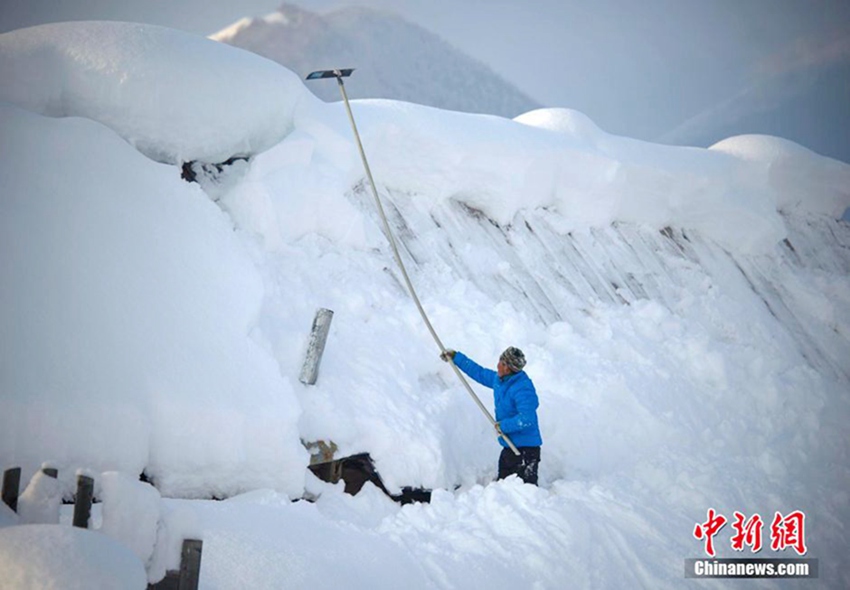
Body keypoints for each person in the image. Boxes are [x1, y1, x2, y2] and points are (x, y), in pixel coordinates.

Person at [440, 346, 542, 485]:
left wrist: (503, 426)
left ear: (508, 368)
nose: (498, 364)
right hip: (510, 447)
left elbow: (526, 419)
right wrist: (456, 357)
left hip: (526, 452)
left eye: (501, 362)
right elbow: (479, 372)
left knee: (525, 493)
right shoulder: (501, 380)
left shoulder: (522, 389)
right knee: (503, 489)